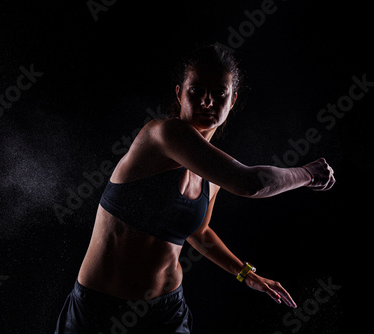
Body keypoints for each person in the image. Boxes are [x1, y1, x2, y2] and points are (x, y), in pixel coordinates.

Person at [54, 45, 335, 334]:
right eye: (196, 90)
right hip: (101, 311)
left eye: (219, 93)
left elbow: (198, 233)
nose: (207, 101)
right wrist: (308, 174)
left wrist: (246, 273)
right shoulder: (161, 135)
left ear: (233, 100)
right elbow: (250, 183)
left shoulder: (212, 177)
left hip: (166, 314)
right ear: (179, 94)